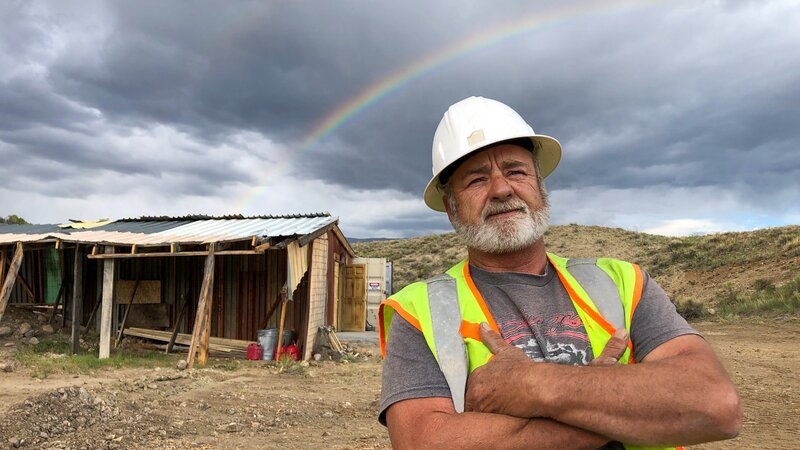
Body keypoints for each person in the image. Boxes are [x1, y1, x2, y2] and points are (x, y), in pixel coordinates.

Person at [378, 96, 742, 449]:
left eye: (516, 171)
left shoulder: (623, 282)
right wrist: (620, 412)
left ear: (539, 185)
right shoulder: (419, 311)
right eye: (476, 180)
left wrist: (533, 385)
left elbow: (714, 404)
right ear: (452, 208)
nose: (502, 189)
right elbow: (425, 441)